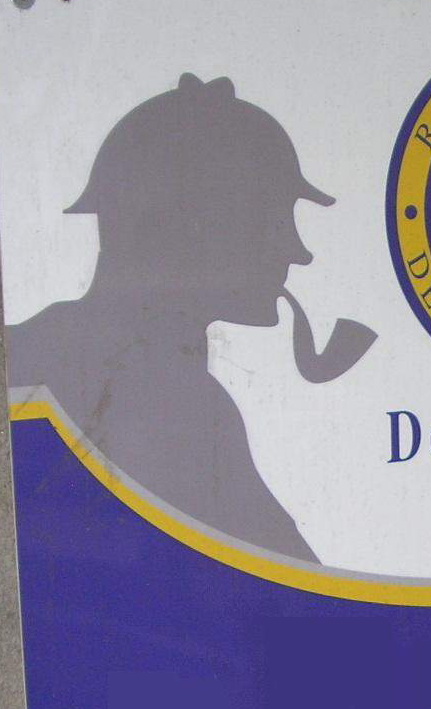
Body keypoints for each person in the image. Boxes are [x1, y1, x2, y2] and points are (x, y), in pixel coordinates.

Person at [6, 74, 376, 561]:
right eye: (272, 220)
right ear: (194, 228)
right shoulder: (174, 401)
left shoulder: (58, 349)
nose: (297, 250)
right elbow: (292, 584)